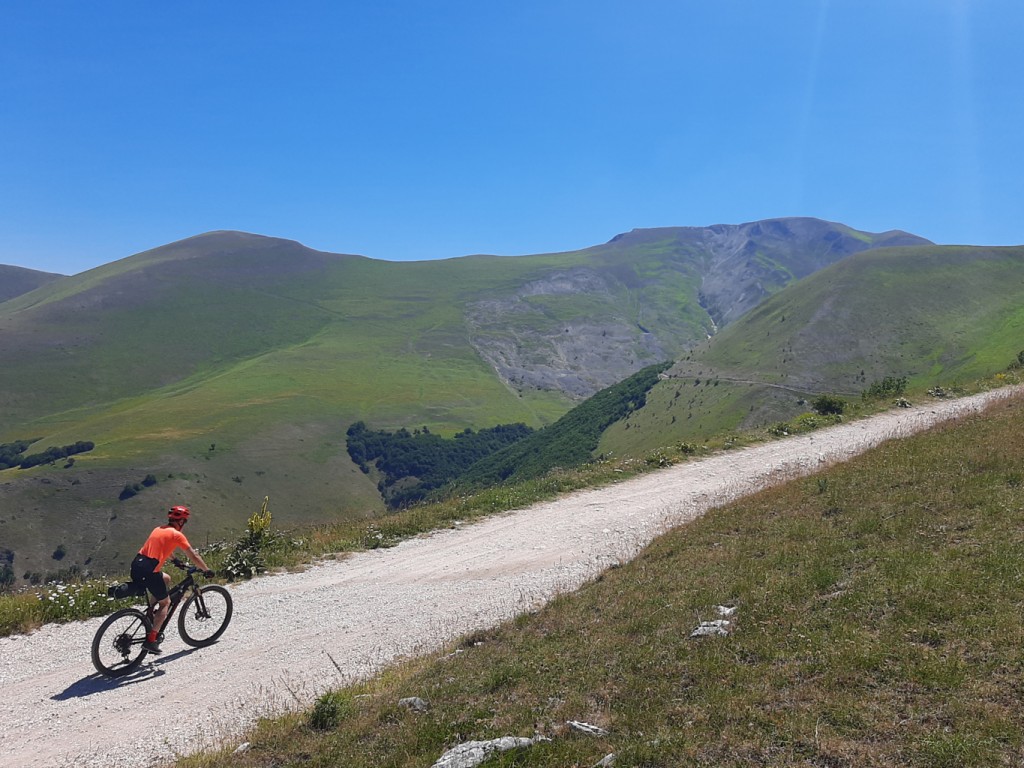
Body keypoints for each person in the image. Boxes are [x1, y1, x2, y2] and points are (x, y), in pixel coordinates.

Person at [131, 505, 214, 654]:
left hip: (137, 566)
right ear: (181, 521)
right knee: (166, 603)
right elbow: (193, 556)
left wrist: (175, 560)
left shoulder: (158, 529)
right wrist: (206, 570)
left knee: (166, 578)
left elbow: (164, 547)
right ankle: (151, 641)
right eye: (185, 522)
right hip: (150, 572)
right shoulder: (177, 535)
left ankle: (150, 614)